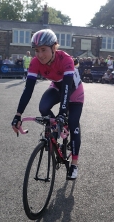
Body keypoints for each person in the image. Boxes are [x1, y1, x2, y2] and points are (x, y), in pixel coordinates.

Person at [11, 29, 84, 180]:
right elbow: (28, 90)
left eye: (43, 50)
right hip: (57, 87)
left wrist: (63, 113)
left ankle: (74, 164)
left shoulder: (66, 59)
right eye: (36, 50)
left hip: (74, 91)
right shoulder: (35, 62)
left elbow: (67, 88)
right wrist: (18, 114)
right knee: (43, 107)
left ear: (54, 47)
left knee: (72, 123)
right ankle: (56, 131)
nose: (40, 54)